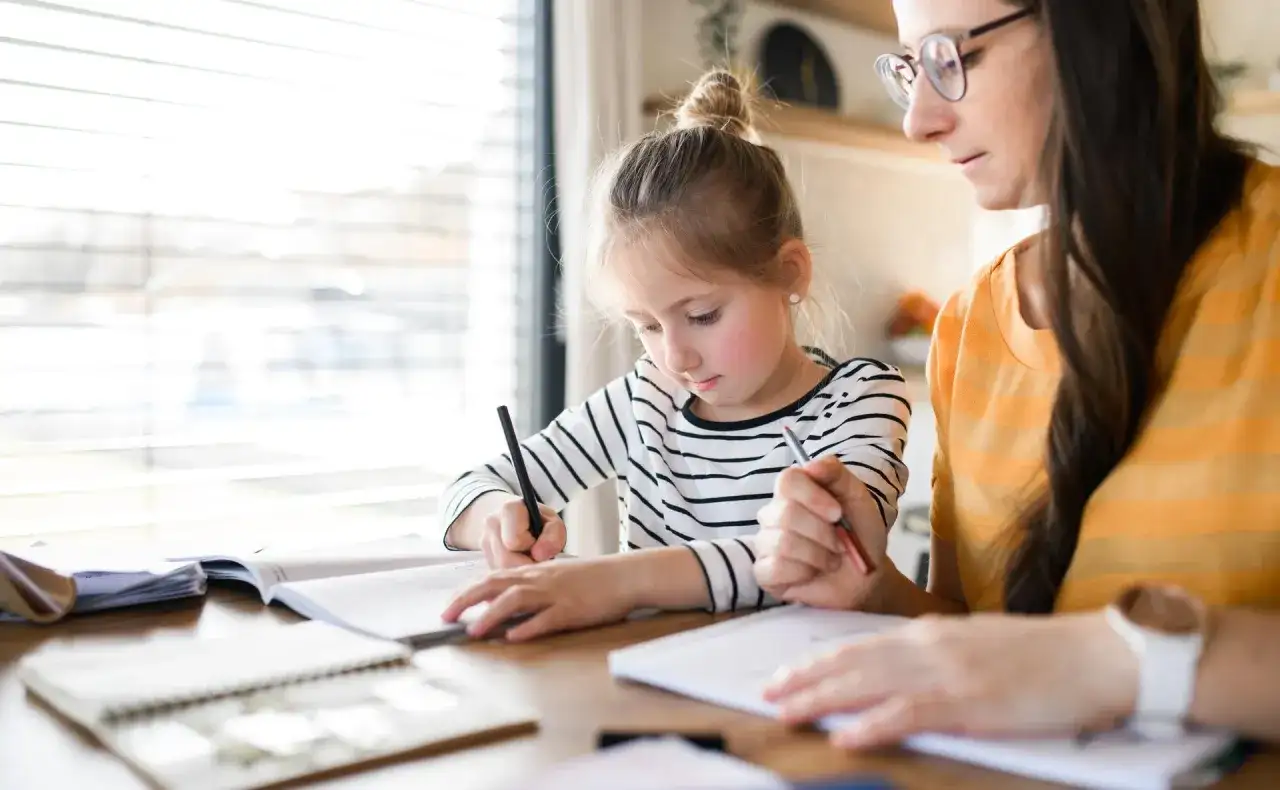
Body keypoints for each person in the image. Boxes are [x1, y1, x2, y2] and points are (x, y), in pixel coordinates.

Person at [754, 0, 1280, 750]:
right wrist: (874, 589)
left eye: (950, 58)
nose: (919, 120)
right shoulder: (968, 329)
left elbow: (1054, 664)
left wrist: (1121, 662)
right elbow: (989, 645)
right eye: (911, 69)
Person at [437, 69, 912, 641]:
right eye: (646, 326)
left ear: (789, 273)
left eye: (703, 316)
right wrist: (501, 520)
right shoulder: (648, 398)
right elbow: (470, 487)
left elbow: (821, 557)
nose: (677, 356)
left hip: (794, 698)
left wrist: (613, 582)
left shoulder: (860, 399)